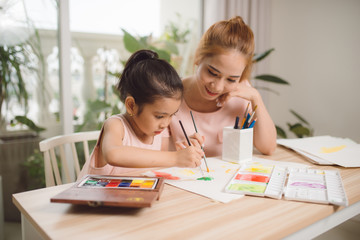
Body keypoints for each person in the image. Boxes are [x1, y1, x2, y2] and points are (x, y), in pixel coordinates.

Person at [79, 49, 204, 178]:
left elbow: (160, 164)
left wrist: (181, 150)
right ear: (131, 106)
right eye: (159, 116)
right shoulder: (116, 125)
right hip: (91, 195)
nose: (166, 123)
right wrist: (175, 157)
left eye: (172, 115)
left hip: (131, 195)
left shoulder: (159, 131)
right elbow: (113, 154)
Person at [169, 16, 277, 157]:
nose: (218, 87)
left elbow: (268, 148)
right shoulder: (170, 93)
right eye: (212, 73)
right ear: (198, 58)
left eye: (231, 79)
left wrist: (256, 97)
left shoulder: (242, 94)